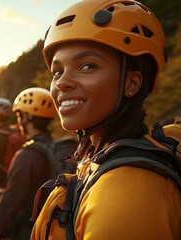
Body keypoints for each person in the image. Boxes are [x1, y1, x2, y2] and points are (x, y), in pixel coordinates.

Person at [31, 0, 181, 239]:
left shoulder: (125, 194)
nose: (61, 82)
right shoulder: (103, 158)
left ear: (132, 83)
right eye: (57, 71)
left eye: (87, 66)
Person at [0, 87, 58, 240]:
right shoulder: (56, 148)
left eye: (19, 115)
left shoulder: (26, 155)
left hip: (28, 229)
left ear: (25, 117)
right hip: (49, 225)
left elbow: (7, 208)